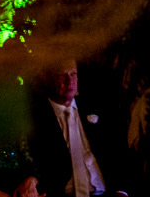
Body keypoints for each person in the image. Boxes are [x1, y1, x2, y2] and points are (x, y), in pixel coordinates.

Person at [25, 59, 125, 197]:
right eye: (62, 75)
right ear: (48, 79)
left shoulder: (95, 108)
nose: (69, 81)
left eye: (73, 74)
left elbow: (117, 152)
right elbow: (33, 163)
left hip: (105, 193)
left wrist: (121, 190)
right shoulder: (36, 119)